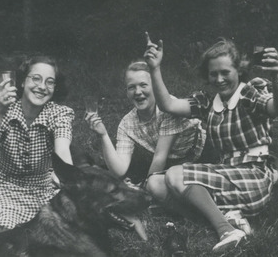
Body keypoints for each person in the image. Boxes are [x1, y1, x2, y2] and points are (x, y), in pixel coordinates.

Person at [143, 34, 278, 252]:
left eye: (226, 72)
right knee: (154, 184)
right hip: (228, 175)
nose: (219, 79)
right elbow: (168, 104)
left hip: (253, 177)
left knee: (176, 175)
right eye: (213, 74)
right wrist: (154, 68)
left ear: (238, 71)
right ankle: (228, 217)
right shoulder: (208, 102)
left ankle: (226, 229)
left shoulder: (248, 95)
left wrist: (276, 76)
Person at [0, 55, 74, 230]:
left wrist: (68, 180)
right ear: (21, 82)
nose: (42, 87)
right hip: (4, 187)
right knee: (5, 234)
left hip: (44, 190)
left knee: (56, 234)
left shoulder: (60, 113)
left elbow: (63, 151)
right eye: (36, 78)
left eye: (50, 82)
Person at [85, 60, 205, 206]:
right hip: (173, 160)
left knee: (170, 189)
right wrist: (103, 135)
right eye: (131, 87)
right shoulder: (127, 123)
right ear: (126, 92)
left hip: (202, 151)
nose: (138, 92)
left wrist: (145, 190)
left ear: (155, 87)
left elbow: (159, 157)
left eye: (143, 85)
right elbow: (119, 170)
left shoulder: (167, 110)